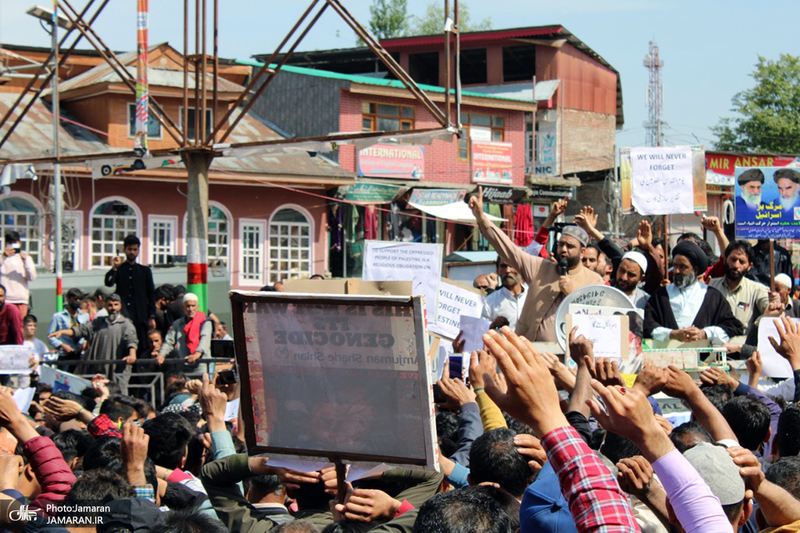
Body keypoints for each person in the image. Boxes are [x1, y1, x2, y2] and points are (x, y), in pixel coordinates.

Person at [469, 187, 602, 342]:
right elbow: (508, 249)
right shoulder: (540, 267)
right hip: (529, 353)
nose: (563, 250)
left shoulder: (594, 281)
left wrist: (573, 295)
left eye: (570, 246)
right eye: (561, 245)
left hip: (568, 360)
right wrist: (481, 218)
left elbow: (597, 324)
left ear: (582, 252)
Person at [644, 240, 743, 345]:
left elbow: (732, 327)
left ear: (695, 270)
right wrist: (673, 334)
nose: (677, 271)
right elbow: (647, 326)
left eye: (683, 267)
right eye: (675, 266)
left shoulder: (712, 296)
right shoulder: (661, 295)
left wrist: (703, 333)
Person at [48, 293, 138, 376]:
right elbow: (80, 330)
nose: (113, 308)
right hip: (97, 369)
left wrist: (132, 355)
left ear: (120, 306)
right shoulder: (98, 323)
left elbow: (131, 341)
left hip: (116, 370)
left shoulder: (126, 324)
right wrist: (63, 332)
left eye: (116, 305)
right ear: (105, 306)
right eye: (110, 305)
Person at [708, 241, 774, 334]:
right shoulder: (710, 285)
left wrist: (772, 308)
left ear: (749, 266)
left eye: (741, 262)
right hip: (714, 345)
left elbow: (771, 310)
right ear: (725, 260)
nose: (736, 265)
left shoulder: (757, 290)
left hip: (742, 345)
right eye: (733, 260)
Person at [105, 234, 156, 351]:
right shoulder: (119, 269)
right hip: (124, 315)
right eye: (129, 249)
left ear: (138, 250)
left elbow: (151, 294)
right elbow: (108, 282)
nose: (132, 252)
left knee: (141, 344)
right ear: (124, 250)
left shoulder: (145, 271)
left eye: (134, 249)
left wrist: (151, 316)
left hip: (141, 315)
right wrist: (114, 268)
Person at [160, 293, 213, 374]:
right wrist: (161, 354)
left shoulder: (205, 322)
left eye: (193, 306)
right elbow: (169, 341)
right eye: (188, 306)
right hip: (183, 365)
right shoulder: (177, 324)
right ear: (183, 308)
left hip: (201, 365)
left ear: (197, 307)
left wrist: (197, 354)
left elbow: (205, 339)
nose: (190, 309)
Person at [482, 257, 528, 331]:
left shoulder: (534, 297)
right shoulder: (489, 301)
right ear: (497, 271)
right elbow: (482, 331)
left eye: (512, 265)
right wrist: (493, 326)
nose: (507, 270)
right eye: (503, 266)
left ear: (521, 269)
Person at [0, 231, 36, 317]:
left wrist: (25, 260)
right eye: (10, 243)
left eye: (14, 242)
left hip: (21, 299)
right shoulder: (2, 257)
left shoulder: (26, 258)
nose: (12, 245)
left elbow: (32, 277)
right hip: (6, 300)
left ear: (19, 243)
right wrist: (4, 256)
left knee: (19, 327)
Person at [47, 288, 89, 362]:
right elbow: (50, 337)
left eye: (79, 299)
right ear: (68, 299)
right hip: (64, 355)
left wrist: (84, 344)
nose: (77, 301)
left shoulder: (85, 316)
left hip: (80, 354)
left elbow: (88, 333)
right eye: (75, 299)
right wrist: (62, 345)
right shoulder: (58, 316)